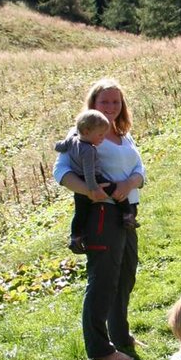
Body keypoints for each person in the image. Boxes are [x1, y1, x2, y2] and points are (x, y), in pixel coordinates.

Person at [53, 78, 145, 360]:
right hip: (102, 214)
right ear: (93, 104)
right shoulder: (82, 133)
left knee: (126, 274)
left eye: (116, 102)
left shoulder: (122, 133)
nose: (111, 107)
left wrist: (131, 181)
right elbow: (61, 171)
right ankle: (99, 348)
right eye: (104, 102)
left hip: (127, 212)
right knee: (103, 280)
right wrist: (90, 191)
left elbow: (139, 168)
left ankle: (120, 334)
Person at [55, 108, 138, 254]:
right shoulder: (89, 150)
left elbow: (59, 146)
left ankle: (76, 237)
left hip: (79, 181)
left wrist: (57, 145)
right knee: (117, 191)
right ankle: (127, 215)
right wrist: (93, 188)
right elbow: (89, 171)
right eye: (100, 135)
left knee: (80, 212)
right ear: (87, 132)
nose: (102, 138)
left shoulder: (72, 139)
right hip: (94, 180)